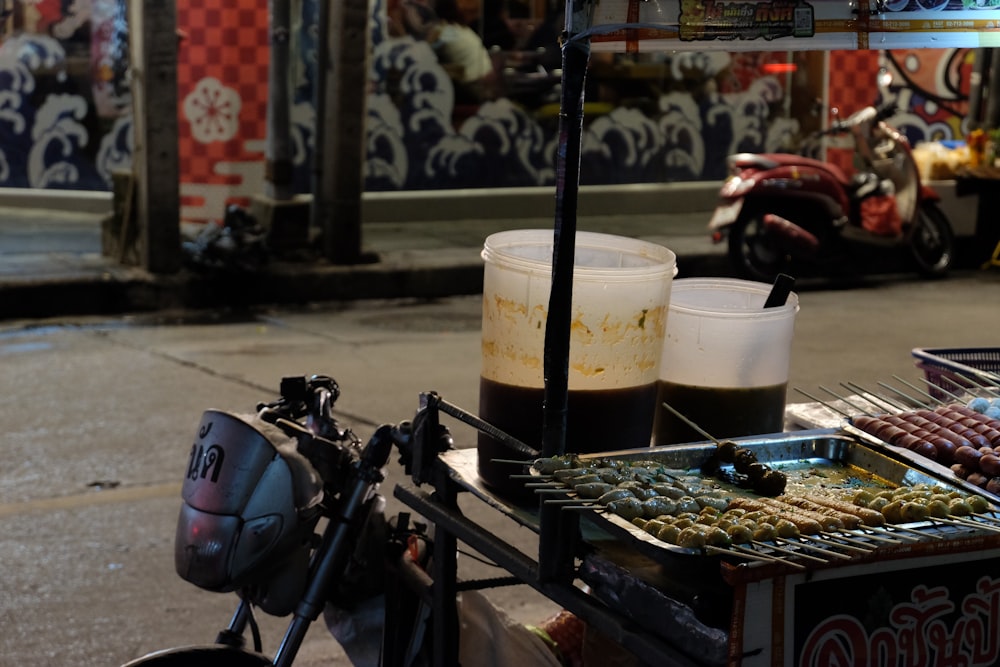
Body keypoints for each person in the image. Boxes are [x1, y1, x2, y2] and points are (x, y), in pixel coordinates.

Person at [396, 0, 498, 104]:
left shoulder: (444, 31)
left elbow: (421, 52)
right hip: (484, 84)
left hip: (471, 88)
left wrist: (401, 24)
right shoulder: (459, 27)